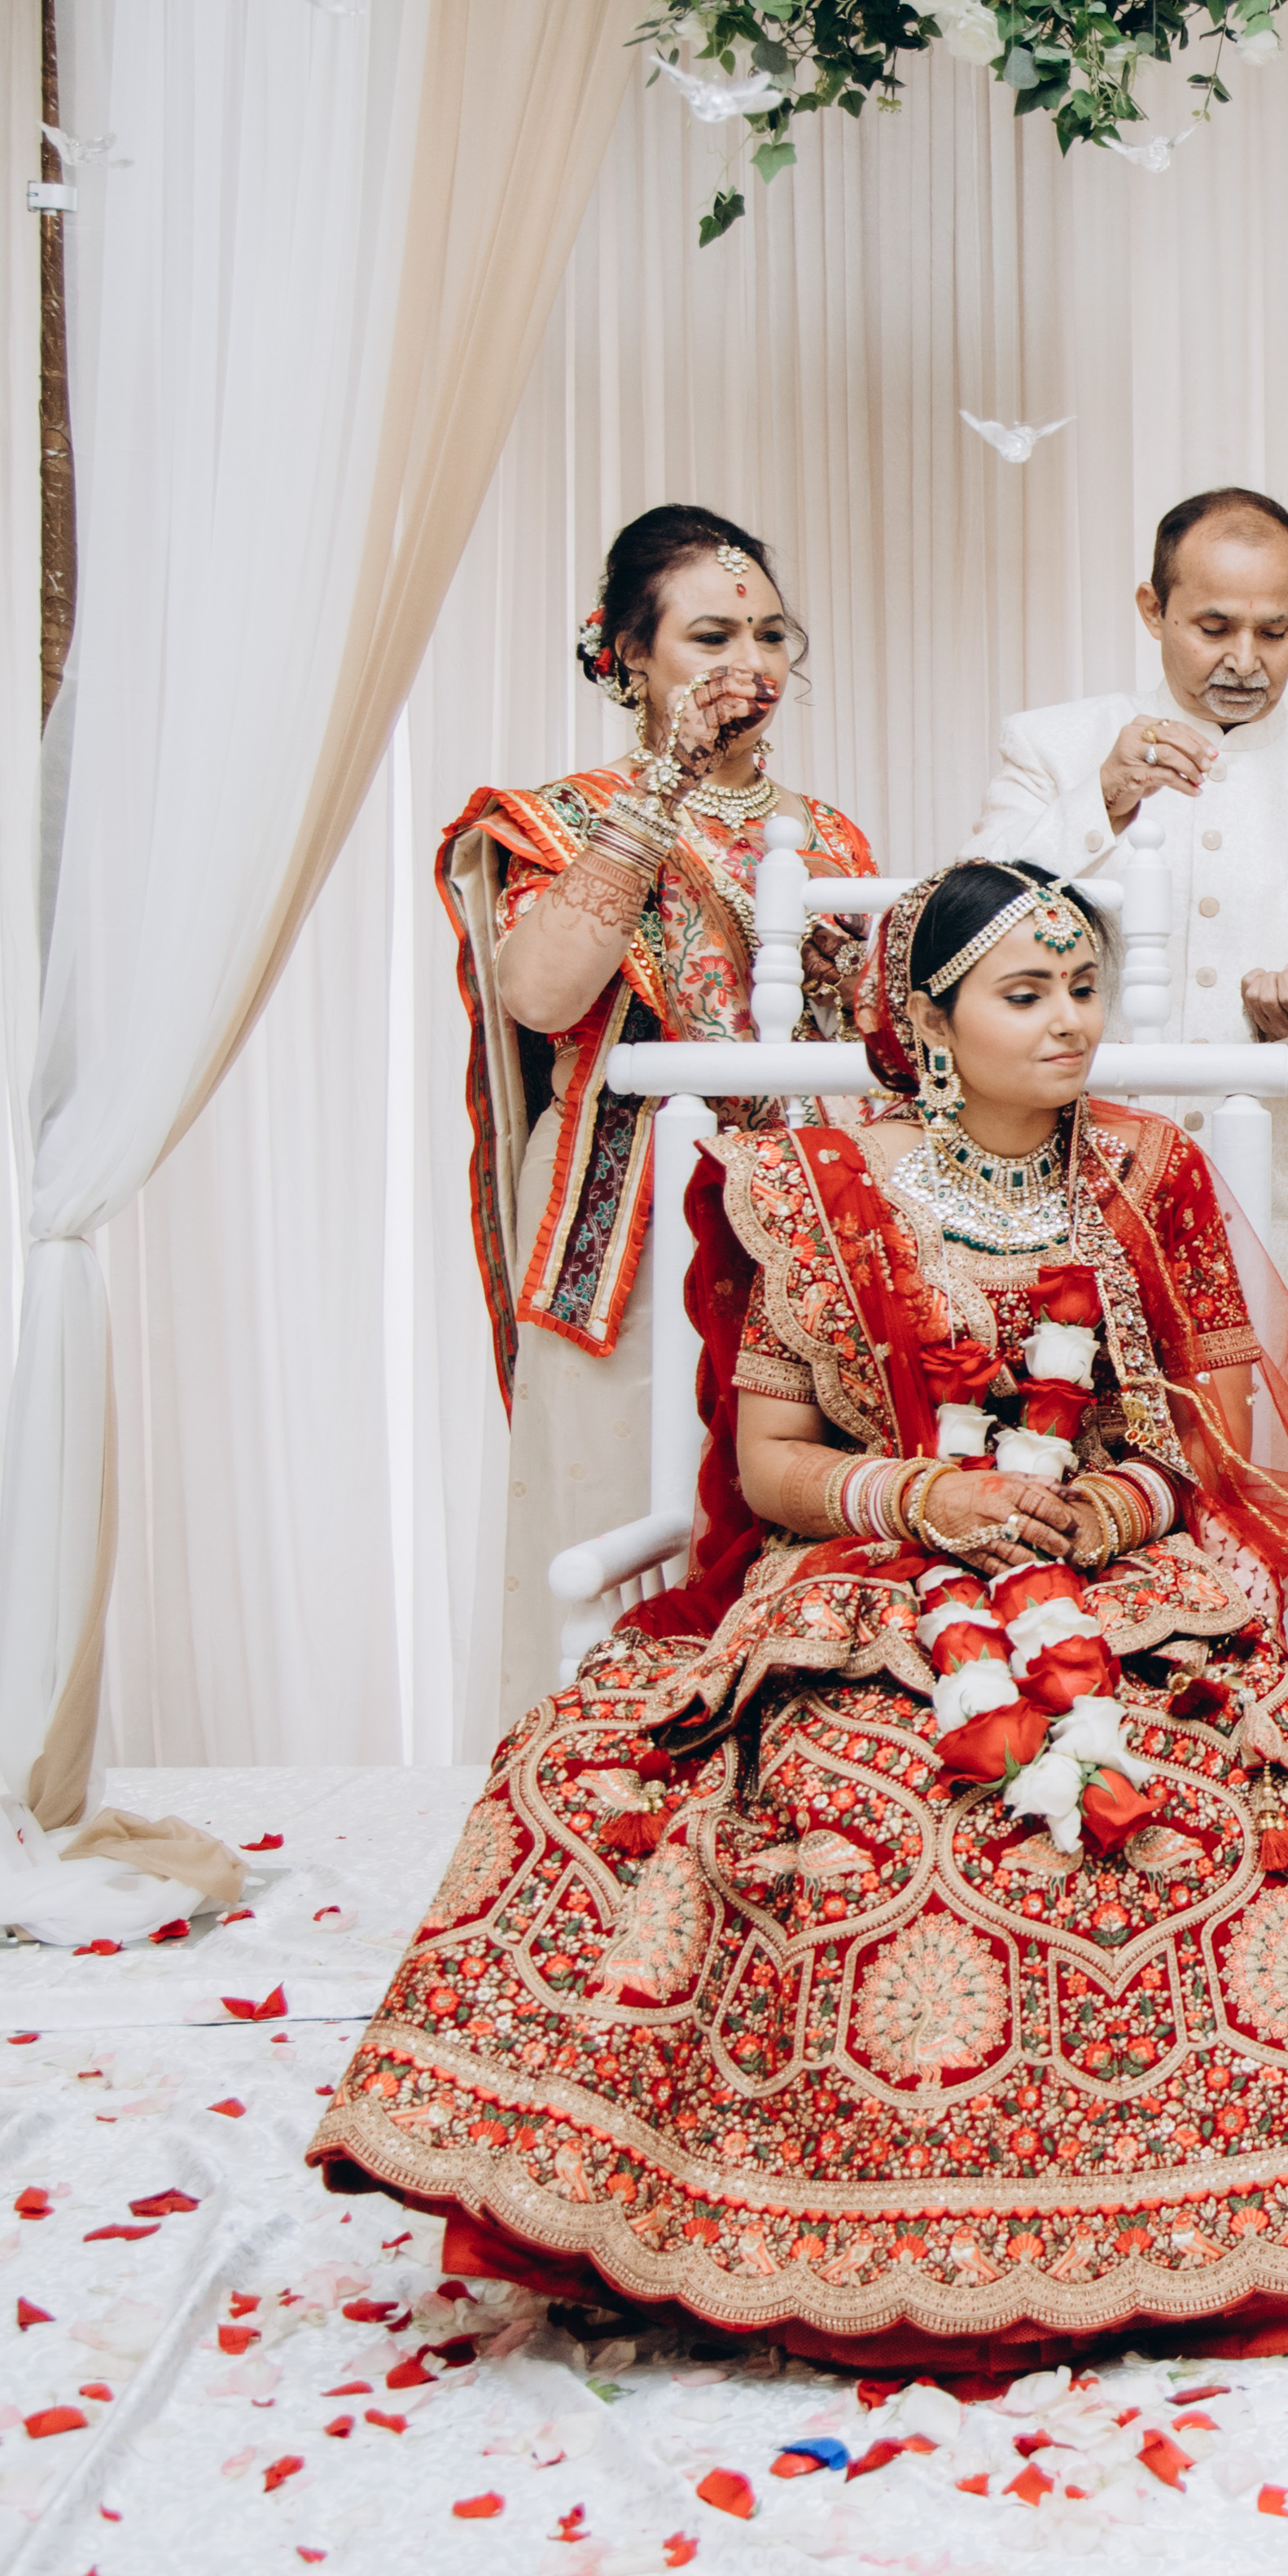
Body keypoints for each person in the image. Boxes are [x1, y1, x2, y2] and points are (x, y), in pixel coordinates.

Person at [314, 858, 1288, 2378]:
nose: (1070, 1021)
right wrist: (927, 1500)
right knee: (825, 1803)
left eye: (1083, 989)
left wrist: (1106, 1512)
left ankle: (1185, 2223)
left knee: (1205, 1803)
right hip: (872, 1568)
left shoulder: (1145, 1168)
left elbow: (1204, 1437)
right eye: (1025, 994)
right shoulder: (814, 1187)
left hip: (1111, 1575)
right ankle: (807, 2221)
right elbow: (772, 1463)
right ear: (928, 1019)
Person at [444, 506, 878, 1737]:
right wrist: (661, 792)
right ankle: (585, 1777)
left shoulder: (829, 833)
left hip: (793, 1210)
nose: (751, 663)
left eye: (770, 634)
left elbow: (879, 1043)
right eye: (711, 636)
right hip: (627, 1212)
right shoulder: (561, 819)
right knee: (615, 1511)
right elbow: (541, 996)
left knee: (781, 1507)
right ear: (630, 653)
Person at [969, 486, 1288, 1452]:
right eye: (1213, 627)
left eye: (1274, 631)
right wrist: (1101, 799)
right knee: (1054, 1478)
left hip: (1278, 1229)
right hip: (1062, 1207)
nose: (1244, 660)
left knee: (1270, 1497)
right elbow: (962, 933)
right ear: (1153, 610)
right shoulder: (1054, 747)